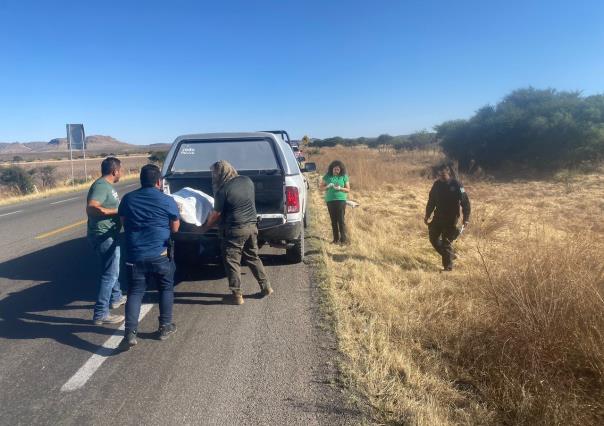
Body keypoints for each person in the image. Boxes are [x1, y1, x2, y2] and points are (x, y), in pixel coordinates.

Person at [118, 164, 180, 350]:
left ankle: (130, 332)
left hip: (135, 256)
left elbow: (123, 222)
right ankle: (165, 327)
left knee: (135, 292)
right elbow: (175, 228)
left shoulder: (128, 199)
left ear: (141, 180)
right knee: (165, 289)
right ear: (159, 182)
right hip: (160, 255)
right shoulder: (167, 200)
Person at [201, 160, 272, 305]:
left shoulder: (223, 190)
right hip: (252, 227)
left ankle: (237, 295)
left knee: (232, 261)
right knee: (253, 257)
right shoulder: (247, 181)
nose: (213, 177)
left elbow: (216, 215)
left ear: (220, 173)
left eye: (214, 174)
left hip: (234, 230)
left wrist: (205, 227)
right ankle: (266, 287)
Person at [86, 157, 126, 325]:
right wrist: (116, 211)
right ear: (115, 171)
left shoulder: (107, 186)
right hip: (104, 236)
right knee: (110, 273)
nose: (121, 173)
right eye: (121, 170)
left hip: (107, 234)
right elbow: (91, 207)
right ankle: (101, 313)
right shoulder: (101, 186)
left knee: (111, 268)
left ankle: (116, 297)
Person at [424, 164, 471, 271]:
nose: (441, 177)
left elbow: (466, 203)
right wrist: (427, 215)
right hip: (438, 217)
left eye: (444, 174)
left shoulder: (457, 185)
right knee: (433, 239)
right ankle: (450, 255)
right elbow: (431, 201)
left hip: (452, 219)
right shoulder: (436, 185)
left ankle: (448, 268)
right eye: (440, 175)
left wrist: (466, 218)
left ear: (448, 173)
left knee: (446, 243)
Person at [320, 160, 351, 244]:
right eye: (335, 169)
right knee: (333, 221)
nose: (336, 171)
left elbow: (348, 189)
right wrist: (327, 186)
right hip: (330, 200)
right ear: (331, 169)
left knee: (341, 220)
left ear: (341, 170)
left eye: (338, 169)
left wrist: (340, 188)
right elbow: (321, 188)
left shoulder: (344, 176)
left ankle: (343, 240)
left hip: (341, 200)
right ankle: (335, 239)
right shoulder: (327, 176)